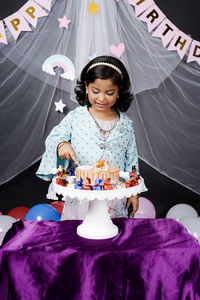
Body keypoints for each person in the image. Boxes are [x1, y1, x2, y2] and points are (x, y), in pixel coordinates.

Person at [36, 55, 147, 218]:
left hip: (113, 195)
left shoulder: (126, 124)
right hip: (81, 193)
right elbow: (54, 137)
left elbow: (131, 160)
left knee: (110, 231)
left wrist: (134, 192)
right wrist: (62, 145)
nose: (101, 98)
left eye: (109, 92)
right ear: (87, 87)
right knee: (80, 233)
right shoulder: (76, 117)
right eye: (95, 91)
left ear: (119, 91)